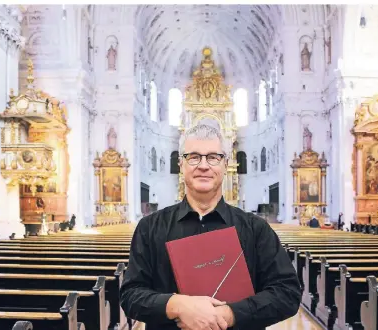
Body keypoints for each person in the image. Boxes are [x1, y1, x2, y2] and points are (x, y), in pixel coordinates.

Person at [119, 124, 301, 330]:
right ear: (181, 164)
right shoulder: (149, 228)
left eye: (213, 157)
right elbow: (130, 296)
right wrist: (178, 305)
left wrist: (229, 314)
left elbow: (287, 293)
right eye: (194, 157)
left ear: (225, 165)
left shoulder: (256, 229)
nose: (203, 165)